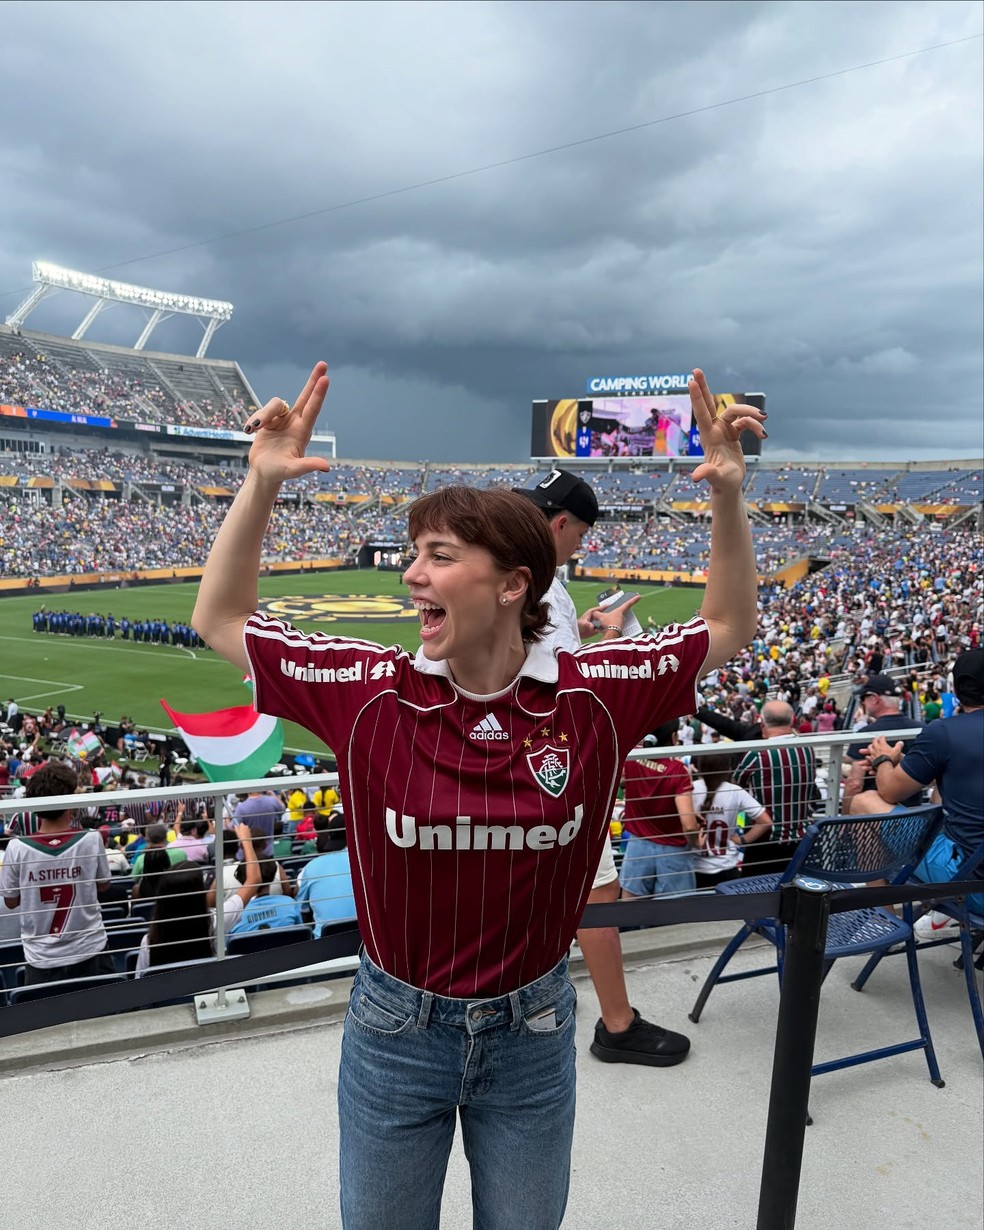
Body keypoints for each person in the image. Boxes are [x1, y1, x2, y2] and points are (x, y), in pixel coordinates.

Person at [191, 361, 764, 1230]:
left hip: (533, 1031)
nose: (411, 576)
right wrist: (260, 482)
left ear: (513, 585)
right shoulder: (368, 687)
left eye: (439, 557)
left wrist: (727, 494)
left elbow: (726, 627)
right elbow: (219, 619)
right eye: (415, 555)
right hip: (393, 1028)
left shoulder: (594, 690)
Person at [515, 467, 690, 1066]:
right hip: (550, 766)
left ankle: (541, 997)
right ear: (562, 523)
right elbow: (564, 684)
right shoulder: (535, 582)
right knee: (597, 893)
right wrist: (613, 639)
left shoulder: (531, 574)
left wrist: (586, 628)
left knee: (563, 891)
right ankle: (617, 1025)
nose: (580, 545)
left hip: (533, 760)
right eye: (580, 534)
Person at [860, 648, 984, 933]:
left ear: (955, 689)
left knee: (865, 802)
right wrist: (903, 764)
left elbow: (890, 791)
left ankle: (882, 923)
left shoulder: (944, 732)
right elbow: (958, 773)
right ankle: (943, 912)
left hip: (971, 883)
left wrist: (881, 758)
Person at [0, 760, 114, 985]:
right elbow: (103, 885)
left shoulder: (17, 848)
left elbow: (11, 901)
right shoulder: (91, 839)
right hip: (89, 948)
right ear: (70, 800)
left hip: (42, 956)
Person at [734, 701, 821, 872]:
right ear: (792, 721)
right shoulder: (807, 748)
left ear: (762, 723)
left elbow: (738, 783)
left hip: (765, 839)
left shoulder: (757, 753)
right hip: (800, 838)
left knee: (755, 891)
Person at [619, 723, 700, 897]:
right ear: (673, 737)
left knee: (631, 900)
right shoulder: (678, 770)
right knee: (675, 913)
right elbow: (690, 825)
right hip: (672, 850)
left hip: (637, 844)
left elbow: (622, 782)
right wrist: (696, 843)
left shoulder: (633, 757)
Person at [843, 674, 924, 812]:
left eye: (863, 699)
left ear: (874, 698)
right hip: (915, 815)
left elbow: (854, 784)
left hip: (875, 819)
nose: (863, 704)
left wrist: (843, 822)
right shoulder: (922, 729)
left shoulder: (866, 733)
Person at [690, 755, 772, 889]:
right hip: (726, 866)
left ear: (699, 767)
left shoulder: (690, 789)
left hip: (695, 866)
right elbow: (765, 821)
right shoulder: (735, 791)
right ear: (728, 769)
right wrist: (742, 840)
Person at [295, 810, 358, 936]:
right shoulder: (364, 862)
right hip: (366, 941)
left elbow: (303, 912)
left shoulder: (311, 867)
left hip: (325, 944)